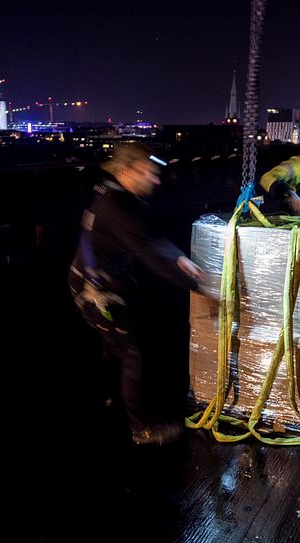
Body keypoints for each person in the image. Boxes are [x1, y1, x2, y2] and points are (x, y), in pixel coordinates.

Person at [68, 142, 208, 446]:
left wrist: (179, 257)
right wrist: (201, 288)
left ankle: (107, 399)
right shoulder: (116, 207)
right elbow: (147, 251)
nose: (155, 180)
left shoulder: (115, 193)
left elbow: (148, 235)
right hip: (96, 294)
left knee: (112, 346)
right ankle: (141, 429)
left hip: (98, 283)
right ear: (126, 171)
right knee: (130, 353)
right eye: (148, 173)